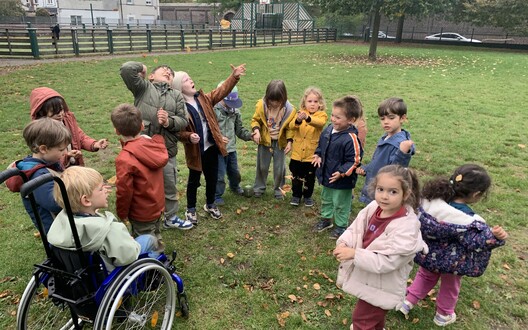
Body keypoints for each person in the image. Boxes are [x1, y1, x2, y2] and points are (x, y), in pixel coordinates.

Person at [400, 164, 508, 327]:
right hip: (453, 262)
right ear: (476, 194)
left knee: (424, 276)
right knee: (450, 285)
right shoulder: (469, 221)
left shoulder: (429, 202)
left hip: (428, 254)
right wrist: (495, 237)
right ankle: (443, 314)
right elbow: (476, 242)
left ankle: (407, 302)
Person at [334, 165, 428, 330]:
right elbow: (356, 229)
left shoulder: (406, 227)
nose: (384, 196)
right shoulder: (374, 208)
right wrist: (345, 242)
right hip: (371, 280)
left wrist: (355, 254)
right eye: (381, 189)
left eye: (393, 192)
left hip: (384, 284)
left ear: (405, 194)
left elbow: (387, 261)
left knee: (362, 319)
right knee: (373, 317)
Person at [120, 62, 191, 230]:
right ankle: (143, 219)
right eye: (164, 70)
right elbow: (126, 70)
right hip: (142, 149)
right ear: (151, 76)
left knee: (169, 183)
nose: (168, 71)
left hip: (166, 149)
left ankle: (171, 217)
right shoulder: (143, 88)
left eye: (171, 72)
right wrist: (143, 67)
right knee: (143, 186)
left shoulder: (177, 95)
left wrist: (168, 121)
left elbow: (183, 120)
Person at [172, 64, 246, 225]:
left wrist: (234, 76)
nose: (191, 80)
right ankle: (190, 209)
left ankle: (210, 204)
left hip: (211, 147)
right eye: (186, 79)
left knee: (212, 178)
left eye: (190, 77)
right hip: (196, 152)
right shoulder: (179, 108)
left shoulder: (203, 98)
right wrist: (188, 136)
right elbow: (177, 131)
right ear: (178, 87)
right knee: (194, 181)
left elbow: (221, 91)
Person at [48, 166, 159, 271]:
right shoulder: (110, 229)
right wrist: (130, 242)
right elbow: (128, 257)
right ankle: (152, 272)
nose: (106, 190)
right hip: (113, 277)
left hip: (82, 278)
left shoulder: (60, 223)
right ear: (86, 200)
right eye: (101, 189)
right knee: (148, 239)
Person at [111, 103, 176, 256]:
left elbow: (124, 191)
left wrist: (122, 213)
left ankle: (153, 269)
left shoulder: (124, 159)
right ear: (141, 126)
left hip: (141, 212)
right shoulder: (153, 146)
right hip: (157, 205)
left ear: (116, 131)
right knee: (156, 233)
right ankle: (159, 257)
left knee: (145, 242)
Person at [311, 96, 363, 239]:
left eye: (338, 117)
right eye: (333, 115)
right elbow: (321, 146)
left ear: (350, 120)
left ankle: (341, 226)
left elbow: (355, 159)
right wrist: (317, 154)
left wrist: (342, 172)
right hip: (326, 175)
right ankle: (326, 219)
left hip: (342, 180)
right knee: (326, 199)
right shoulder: (328, 130)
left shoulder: (351, 138)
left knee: (341, 203)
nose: (333, 119)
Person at [13, 118, 71, 234]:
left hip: (60, 225)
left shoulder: (46, 163)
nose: (65, 152)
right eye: (61, 149)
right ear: (43, 149)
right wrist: (77, 194)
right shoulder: (38, 175)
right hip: (55, 231)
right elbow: (53, 204)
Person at [30, 87, 108, 168]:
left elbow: (80, 136)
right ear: (41, 112)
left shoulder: (67, 120)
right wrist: (66, 156)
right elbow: (49, 157)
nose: (60, 114)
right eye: (54, 111)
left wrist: (94, 144)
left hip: (74, 166)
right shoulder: (41, 132)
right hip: (57, 171)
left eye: (61, 109)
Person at [356, 97, 414, 205]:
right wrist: (366, 169)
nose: (386, 122)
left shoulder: (400, 144)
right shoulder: (386, 137)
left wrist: (403, 153)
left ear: (402, 118)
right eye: (382, 119)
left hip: (384, 193)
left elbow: (397, 170)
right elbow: (378, 161)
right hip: (376, 185)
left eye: (391, 118)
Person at [251, 79, 296, 200]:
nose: (274, 103)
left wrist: (290, 141)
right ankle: (259, 188)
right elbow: (256, 120)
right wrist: (256, 131)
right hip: (265, 141)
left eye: (278, 101)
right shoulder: (262, 105)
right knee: (262, 166)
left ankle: (279, 190)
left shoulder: (289, 110)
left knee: (279, 168)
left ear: (283, 98)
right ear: (267, 97)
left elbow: (290, 128)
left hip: (280, 142)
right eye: (271, 100)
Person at [213, 81, 253, 206]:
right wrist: (218, 138)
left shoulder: (235, 111)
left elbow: (239, 130)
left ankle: (235, 186)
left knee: (234, 171)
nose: (231, 106)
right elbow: (208, 130)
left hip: (231, 149)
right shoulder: (213, 110)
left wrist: (250, 136)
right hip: (217, 150)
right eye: (228, 103)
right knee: (219, 174)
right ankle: (216, 195)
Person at [288, 86, 328, 207]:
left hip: (311, 155)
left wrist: (308, 118)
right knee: (295, 176)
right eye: (309, 101)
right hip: (297, 154)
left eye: (316, 101)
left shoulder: (322, 115)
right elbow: (291, 126)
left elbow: (319, 123)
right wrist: (299, 120)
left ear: (320, 103)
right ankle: (296, 195)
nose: (312, 104)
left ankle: (307, 196)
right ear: (304, 102)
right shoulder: (299, 113)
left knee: (310, 177)